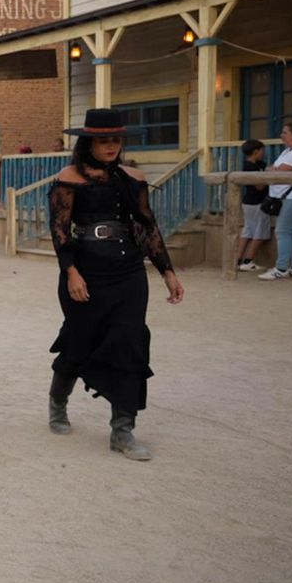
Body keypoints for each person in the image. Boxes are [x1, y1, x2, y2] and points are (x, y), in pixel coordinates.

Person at [47, 108, 185, 460]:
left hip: (128, 273)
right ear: (89, 142)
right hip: (86, 271)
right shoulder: (69, 177)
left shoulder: (132, 177)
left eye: (116, 139)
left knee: (130, 343)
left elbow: (148, 227)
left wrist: (167, 271)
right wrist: (71, 272)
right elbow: (60, 231)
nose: (111, 146)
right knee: (80, 341)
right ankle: (58, 401)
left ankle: (122, 430)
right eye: (103, 139)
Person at [258, 120, 292, 280]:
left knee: (282, 231)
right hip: (286, 196)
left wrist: (274, 169)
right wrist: (273, 169)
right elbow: (272, 168)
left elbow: (281, 170)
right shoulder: (287, 151)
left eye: (285, 132)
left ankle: (281, 268)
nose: (281, 136)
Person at [236, 139, 273, 272]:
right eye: (262, 151)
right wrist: (269, 176)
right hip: (257, 203)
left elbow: (267, 167)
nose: (264, 153)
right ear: (255, 151)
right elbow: (259, 186)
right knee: (260, 232)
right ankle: (248, 260)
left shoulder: (257, 164)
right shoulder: (250, 167)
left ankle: (238, 260)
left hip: (248, 203)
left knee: (248, 231)